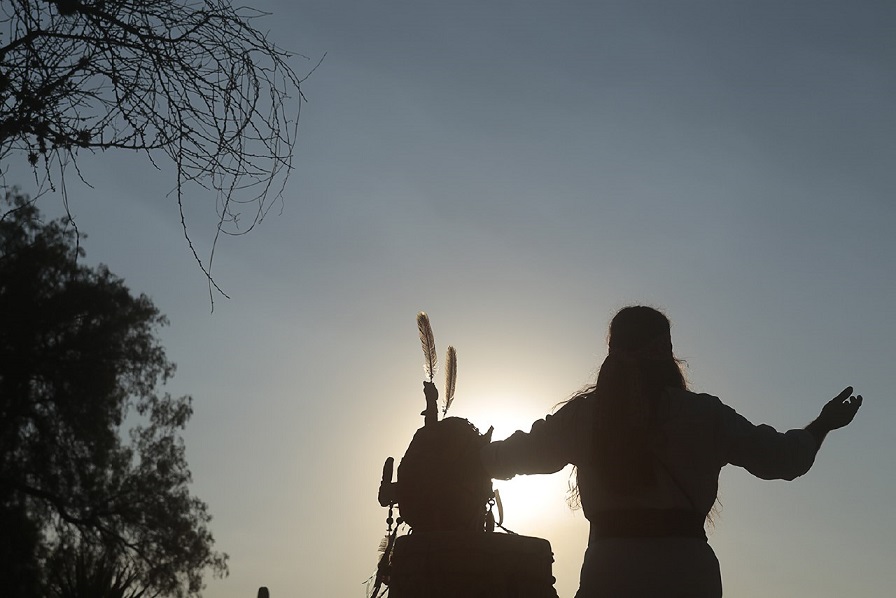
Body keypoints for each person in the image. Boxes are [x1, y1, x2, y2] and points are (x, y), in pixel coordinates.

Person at [479, 306, 862, 597]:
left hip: (610, 572)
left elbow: (515, 456)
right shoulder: (705, 415)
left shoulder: (585, 415)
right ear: (668, 354)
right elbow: (784, 459)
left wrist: (471, 453)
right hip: (689, 573)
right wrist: (822, 424)